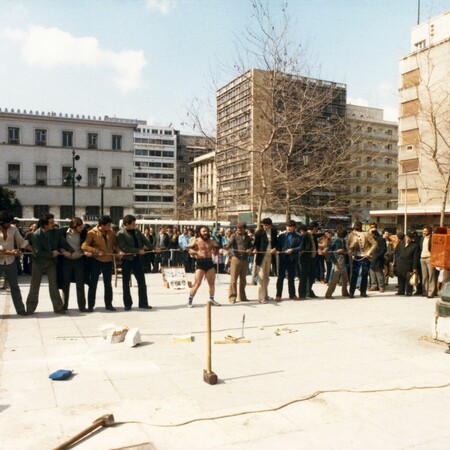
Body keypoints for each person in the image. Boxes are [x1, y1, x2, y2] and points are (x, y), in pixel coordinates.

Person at [26, 213, 73, 315]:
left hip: (51, 263)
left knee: (53, 286)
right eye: (51, 222)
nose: (53, 224)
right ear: (44, 225)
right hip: (38, 264)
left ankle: (58, 308)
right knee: (34, 286)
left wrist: (71, 251)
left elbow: (63, 243)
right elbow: (38, 252)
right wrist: (51, 254)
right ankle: (30, 308)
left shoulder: (56, 233)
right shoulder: (36, 235)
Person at [117, 214, 155, 310]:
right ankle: (127, 304)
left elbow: (145, 241)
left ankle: (143, 303)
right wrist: (137, 250)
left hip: (137, 260)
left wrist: (153, 248)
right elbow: (124, 247)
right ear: (127, 224)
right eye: (133, 223)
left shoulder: (137, 231)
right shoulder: (121, 233)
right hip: (127, 260)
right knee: (126, 283)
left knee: (142, 281)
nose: (135, 225)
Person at [81, 215, 118, 312]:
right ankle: (90, 305)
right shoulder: (91, 233)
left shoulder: (112, 233)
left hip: (108, 261)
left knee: (108, 284)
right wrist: (96, 251)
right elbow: (84, 246)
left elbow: (115, 244)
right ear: (102, 225)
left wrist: (119, 251)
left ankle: (109, 304)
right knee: (93, 284)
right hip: (96, 261)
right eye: (108, 225)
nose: (110, 226)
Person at [0, 211, 32, 315]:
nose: (9, 224)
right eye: (7, 223)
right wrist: (10, 252)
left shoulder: (13, 228)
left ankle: (20, 310)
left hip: (10, 261)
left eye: (10, 222)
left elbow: (22, 242)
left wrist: (33, 250)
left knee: (15, 287)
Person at [187, 225, 221, 308]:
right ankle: (190, 301)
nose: (206, 233)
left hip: (209, 263)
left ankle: (212, 299)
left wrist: (222, 250)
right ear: (199, 232)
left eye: (207, 231)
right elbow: (188, 249)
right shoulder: (196, 240)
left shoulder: (211, 241)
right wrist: (196, 253)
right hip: (200, 263)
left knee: (211, 283)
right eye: (204, 231)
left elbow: (219, 248)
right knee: (197, 283)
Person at [60, 217, 88, 311]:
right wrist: (63, 251)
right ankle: (64, 305)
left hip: (79, 260)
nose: (82, 229)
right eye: (80, 227)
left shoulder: (83, 233)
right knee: (65, 284)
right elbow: (59, 244)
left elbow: (85, 245)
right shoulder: (63, 232)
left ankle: (82, 306)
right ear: (74, 227)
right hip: (66, 260)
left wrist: (84, 252)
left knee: (80, 284)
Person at [224, 222, 253, 304]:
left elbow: (251, 246)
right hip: (235, 259)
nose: (238, 230)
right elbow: (228, 244)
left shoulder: (247, 237)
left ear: (244, 229)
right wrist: (225, 247)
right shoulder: (234, 236)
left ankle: (242, 297)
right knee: (233, 279)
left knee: (243, 280)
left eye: (240, 229)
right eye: (237, 229)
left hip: (245, 260)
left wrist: (250, 250)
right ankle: (232, 297)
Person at [275, 220, 302, 301]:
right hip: (283, 258)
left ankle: (292, 294)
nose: (289, 228)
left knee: (291, 277)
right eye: (287, 226)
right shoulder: (282, 236)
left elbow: (300, 247)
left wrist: (292, 250)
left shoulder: (298, 236)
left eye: (290, 226)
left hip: (292, 259)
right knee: (281, 277)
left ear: (294, 227)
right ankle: (278, 295)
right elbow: (278, 246)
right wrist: (277, 250)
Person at [253, 218, 278, 303]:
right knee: (261, 276)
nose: (264, 227)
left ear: (270, 225)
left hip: (270, 256)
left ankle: (266, 295)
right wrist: (255, 249)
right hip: (261, 256)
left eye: (266, 225)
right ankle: (261, 297)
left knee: (267, 277)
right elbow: (255, 244)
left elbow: (276, 243)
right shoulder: (259, 232)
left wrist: (275, 248)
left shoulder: (274, 232)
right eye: (263, 225)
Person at [325, 226, 350, 299]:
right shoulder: (335, 239)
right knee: (335, 278)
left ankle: (345, 292)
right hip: (337, 260)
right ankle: (328, 294)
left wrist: (343, 250)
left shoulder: (343, 240)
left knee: (345, 277)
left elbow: (345, 249)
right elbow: (329, 247)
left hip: (342, 260)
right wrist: (326, 250)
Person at [394, 231, 420, 296]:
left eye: (410, 238)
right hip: (400, 263)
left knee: (408, 278)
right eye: (407, 237)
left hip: (409, 264)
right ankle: (401, 290)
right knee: (400, 277)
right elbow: (396, 252)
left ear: (412, 239)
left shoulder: (415, 246)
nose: (408, 239)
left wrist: (414, 267)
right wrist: (396, 261)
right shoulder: (401, 243)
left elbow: (416, 257)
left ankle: (408, 291)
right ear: (405, 237)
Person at [419, 226, 437, 298]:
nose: (424, 232)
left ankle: (431, 292)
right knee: (424, 276)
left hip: (429, 258)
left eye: (425, 231)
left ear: (429, 231)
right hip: (422, 258)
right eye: (423, 231)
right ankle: (425, 291)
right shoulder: (422, 238)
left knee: (431, 275)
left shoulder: (432, 238)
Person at [368, 228, 387, 293]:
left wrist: (377, 256)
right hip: (371, 258)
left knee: (379, 273)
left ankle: (381, 287)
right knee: (372, 273)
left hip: (378, 259)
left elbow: (384, 249)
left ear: (374, 234)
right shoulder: (371, 240)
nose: (369, 235)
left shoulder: (381, 239)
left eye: (370, 233)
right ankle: (374, 286)